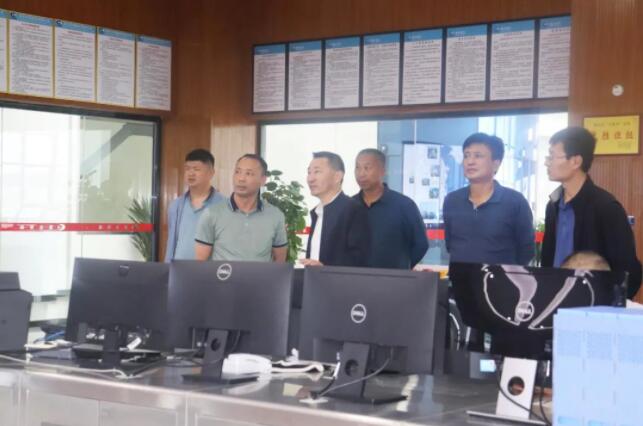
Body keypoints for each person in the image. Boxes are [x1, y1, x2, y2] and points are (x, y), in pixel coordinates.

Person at [541, 126, 641, 298]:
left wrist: (609, 305)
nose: (546, 162)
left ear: (575, 161)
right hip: (557, 299)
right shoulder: (553, 205)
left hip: (593, 304)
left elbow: (627, 270)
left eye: (552, 156)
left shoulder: (606, 207)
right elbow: (547, 260)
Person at [443, 133, 535, 266]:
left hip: (500, 278)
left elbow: (526, 251)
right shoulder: (452, 201)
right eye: (466, 155)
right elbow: (450, 245)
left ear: (496, 164)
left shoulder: (515, 202)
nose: (470, 161)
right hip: (460, 278)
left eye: (478, 155)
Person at [195, 154, 287, 262]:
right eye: (237, 172)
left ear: (263, 180)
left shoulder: (275, 216)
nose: (241, 178)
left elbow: (280, 261)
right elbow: (200, 262)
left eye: (249, 173)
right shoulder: (211, 214)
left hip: (261, 274)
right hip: (224, 273)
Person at [353, 148, 428, 269]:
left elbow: (421, 244)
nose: (361, 174)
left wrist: (402, 266)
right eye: (357, 168)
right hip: (355, 277)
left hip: (393, 278)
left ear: (383, 171)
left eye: (367, 168)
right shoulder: (350, 206)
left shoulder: (404, 205)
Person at [302, 151, 370, 267]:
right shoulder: (316, 212)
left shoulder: (354, 210)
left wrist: (326, 269)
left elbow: (359, 260)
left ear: (337, 176)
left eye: (317, 172)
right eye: (309, 172)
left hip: (339, 279)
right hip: (313, 278)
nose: (310, 179)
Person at [165, 149, 225, 261]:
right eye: (187, 169)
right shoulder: (176, 205)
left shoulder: (224, 205)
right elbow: (171, 243)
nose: (191, 173)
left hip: (210, 269)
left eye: (196, 169)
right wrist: (168, 267)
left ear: (211, 173)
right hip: (179, 268)